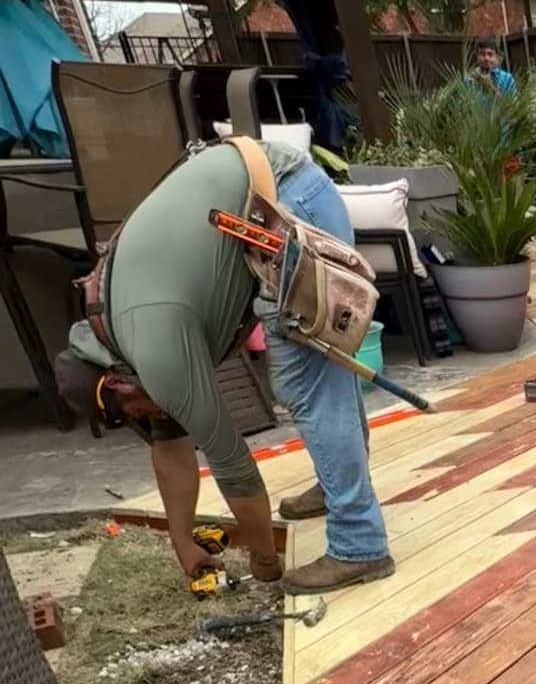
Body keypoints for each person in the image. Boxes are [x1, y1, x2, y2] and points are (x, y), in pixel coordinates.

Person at [56, 141, 392, 594]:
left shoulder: (153, 350)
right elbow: (170, 449)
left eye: (124, 416)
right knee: (322, 370)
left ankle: (358, 544)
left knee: (306, 384)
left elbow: (234, 467)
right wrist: (182, 541)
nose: (143, 420)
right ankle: (338, 490)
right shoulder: (115, 332)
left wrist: (264, 560)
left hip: (283, 211)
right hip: (277, 197)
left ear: (115, 385)